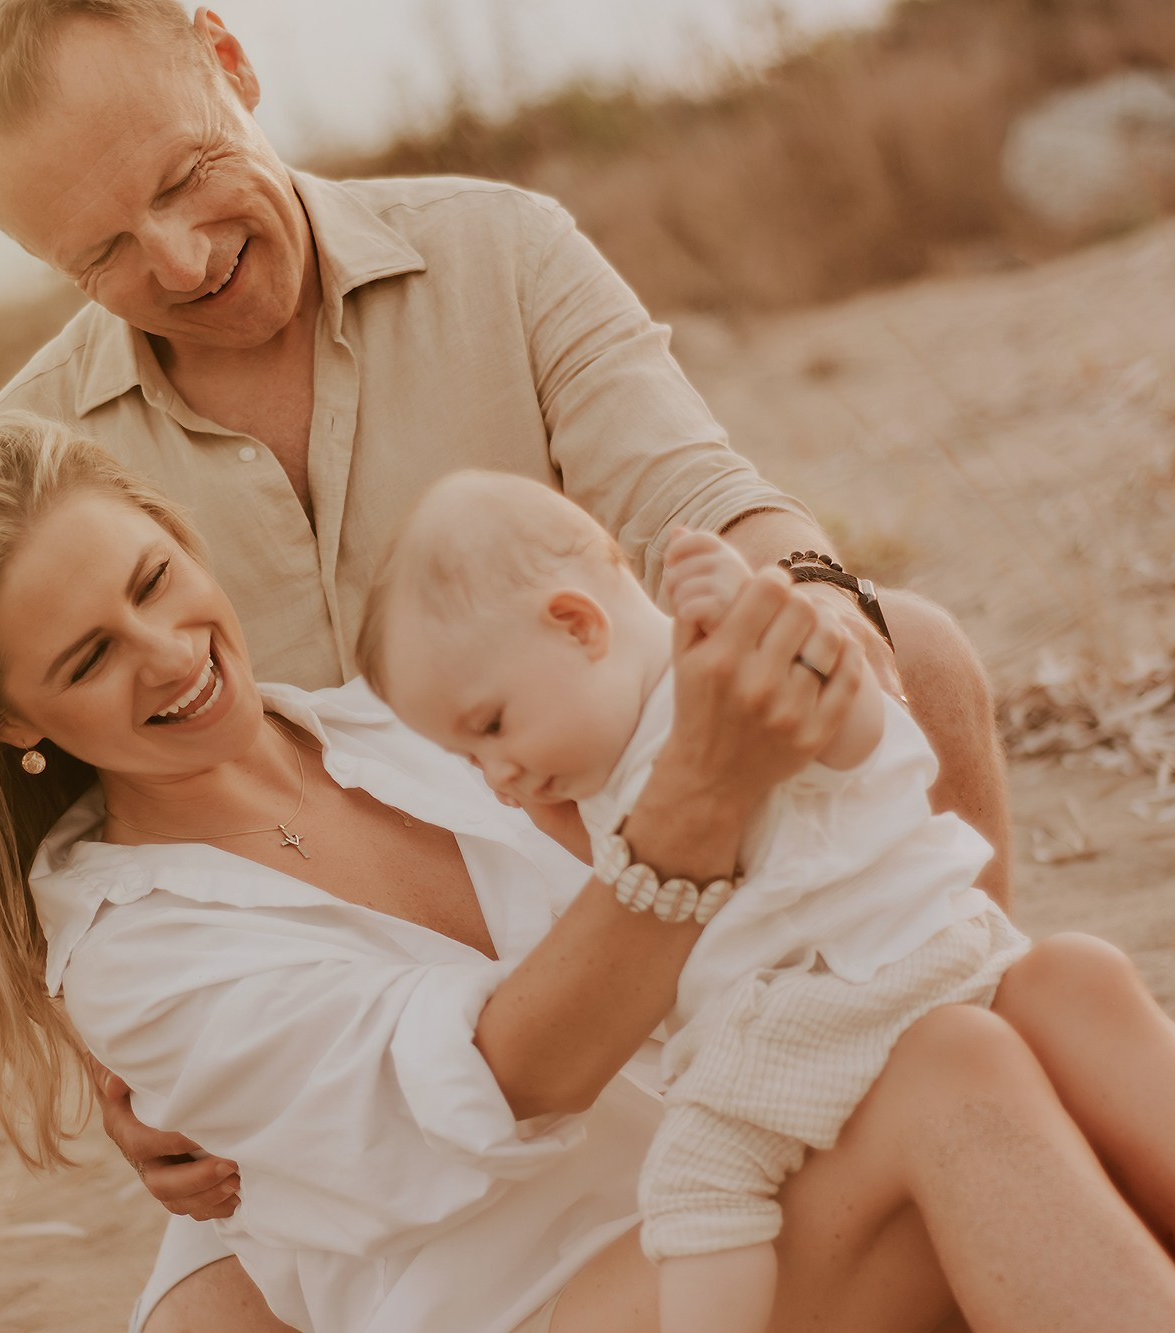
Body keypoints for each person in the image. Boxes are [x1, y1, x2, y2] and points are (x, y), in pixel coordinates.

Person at [0, 411, 1175, 1333]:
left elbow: (643, 722)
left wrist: (737, 649)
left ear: (180, 536)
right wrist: (698, 801)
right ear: (11, 721)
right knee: (952, 1072)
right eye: (91, 658)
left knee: (1065, 983)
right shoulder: (133, 948)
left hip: (728, 1196)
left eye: (156, 580)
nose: (169, 652)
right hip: (549, 1299)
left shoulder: (382, 725)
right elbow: (500, 1078)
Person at [0, 7, 1014, 1319]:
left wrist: (814, 610)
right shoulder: (40, 470)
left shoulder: (498, 248)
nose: (180, 256)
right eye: (100, 251)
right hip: (352, 1046)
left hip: (599, 867)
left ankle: (974, 1068)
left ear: (228, 61)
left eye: (183, 175)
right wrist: (124, 1058)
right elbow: (37, 826)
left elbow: (692, 492)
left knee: (915, 651)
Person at [358, 471, 1035, 1333]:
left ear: (578, 625)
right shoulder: (625, 753)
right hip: (869, 973)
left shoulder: (709, 691)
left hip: (842, 991)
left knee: (695, 1187)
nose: (499, 775)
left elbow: (871, 742)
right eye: (470, 759)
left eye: (491, 726)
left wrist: (776, 625)